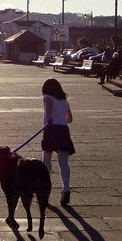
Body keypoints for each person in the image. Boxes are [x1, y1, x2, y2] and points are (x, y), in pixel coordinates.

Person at [41, 78, 75, 206]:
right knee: (63, 162)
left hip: (50, 130)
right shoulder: (64, 101)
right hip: (63, 131)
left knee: (47, 159)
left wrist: (49, 118)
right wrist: (61, 120)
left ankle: (45, 189)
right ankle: (66, 188)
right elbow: (70, 119)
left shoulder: (47, 97)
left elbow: (48, 109)